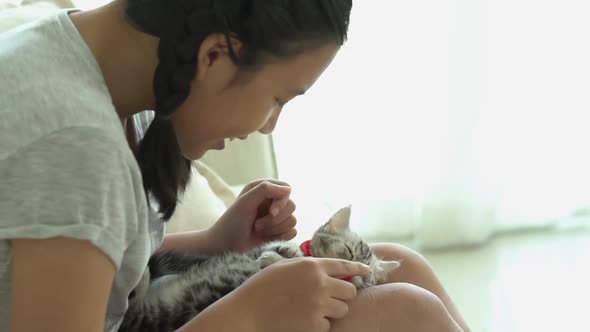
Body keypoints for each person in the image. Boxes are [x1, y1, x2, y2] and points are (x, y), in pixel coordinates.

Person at [0, 0, 470, 331]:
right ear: (215, 55)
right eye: (277, 98)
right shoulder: (75, 144)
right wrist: (247, 317)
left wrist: (214, 243)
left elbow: (85, 259)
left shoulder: (101, 67)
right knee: (408, 313)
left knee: (400, 267)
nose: (268, 126)